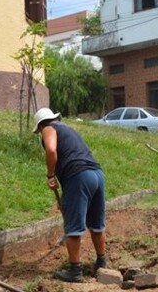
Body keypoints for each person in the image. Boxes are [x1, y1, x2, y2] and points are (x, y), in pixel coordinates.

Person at [33, 108, 108, 283]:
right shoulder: (68, 129)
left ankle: (75, 271)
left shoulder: (49, 129)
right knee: (96, 223)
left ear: (40, 126)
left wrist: (50, 175)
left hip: (79, 176)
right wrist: (68, 198)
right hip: (96, 174)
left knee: (73, 226)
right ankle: (102, 263)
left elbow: (51, 150)